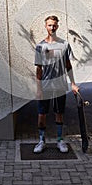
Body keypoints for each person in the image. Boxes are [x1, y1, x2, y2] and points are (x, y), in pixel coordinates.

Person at [33, 15, 79, 153]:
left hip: (59, 86)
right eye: (49, 25)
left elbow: (68, 65)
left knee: (59, 113)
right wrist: (38, 89)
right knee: (42, 114)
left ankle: (60, 140)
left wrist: (73, 84)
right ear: (45, 26)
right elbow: (39, 69)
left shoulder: (64, 45)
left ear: (57, 26)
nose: (52, 27)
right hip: (46, 86)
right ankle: (41, 141)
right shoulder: (40, 46)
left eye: (54, 25)